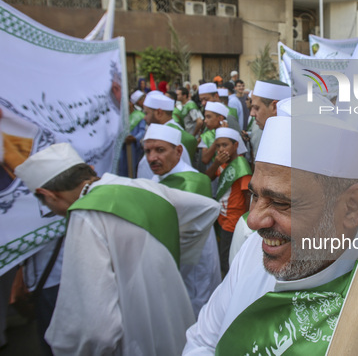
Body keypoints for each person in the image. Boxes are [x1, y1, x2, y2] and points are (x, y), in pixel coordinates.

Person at [183, 116, 358, 355]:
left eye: (281, 202)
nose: (253, 221)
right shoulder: (257, 248)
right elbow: (202, 341)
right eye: (255, 195)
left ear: (351, 207)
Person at [15, 143, 220, 355]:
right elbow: (206, 208)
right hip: (174, 322)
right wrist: (169, 258)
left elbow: (96, 329)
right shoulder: (139, 186)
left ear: (47, 194)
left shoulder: (86, 215)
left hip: (133, 338)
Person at [143, 124, 221, 318]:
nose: (152, 158)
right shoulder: (158, 177)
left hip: (191, 262)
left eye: (160, 150)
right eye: (148, 151)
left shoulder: (191, 183)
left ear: (178, 151)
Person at [204, 127, 251, 276]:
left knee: (227, 260)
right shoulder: (222, 164)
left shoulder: (241, 166)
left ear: (236, 145)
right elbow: (206, 179)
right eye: (218, 146)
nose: (221, 149)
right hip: (221, 219)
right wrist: (215, 164)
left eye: (225, 145)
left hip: (233, 221)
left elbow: (248, 197)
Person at [137, 91, 196, 179]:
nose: (144, 117)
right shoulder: (178, 130)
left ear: (159, 113)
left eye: (147, 113)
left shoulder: (160, 138)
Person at [118, 90, 146, 178]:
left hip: (135, 148)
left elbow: (142, 131)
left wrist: (135, 138)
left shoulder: (139, 115)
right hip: (122, 149)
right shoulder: (119, 118)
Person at [198, 101, 229, 167]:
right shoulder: (206, 136)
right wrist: (219, 137)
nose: (205, 121)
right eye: (205, 117)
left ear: (220, 118)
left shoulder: (231, 134)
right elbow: (205, 159)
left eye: (208, 117)